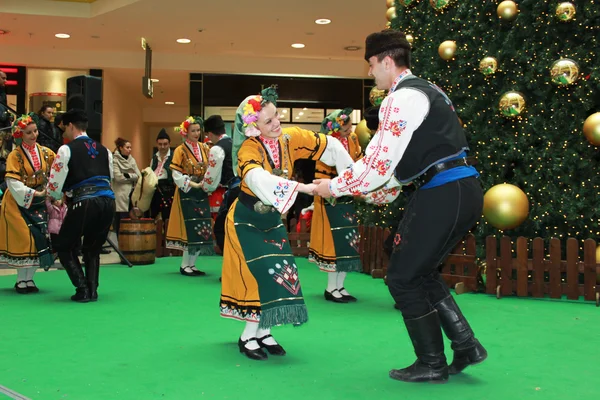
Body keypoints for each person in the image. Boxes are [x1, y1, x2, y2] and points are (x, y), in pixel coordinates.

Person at [313, 30, 486, 383]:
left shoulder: (401, 98)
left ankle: (432, 363)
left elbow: (377, 164)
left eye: (372, 65)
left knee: (403, 277)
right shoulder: (427, 90)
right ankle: (466, 346)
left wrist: (334, 185)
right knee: (418, 272)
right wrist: (362, 191)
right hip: (458, 188)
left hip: (444, 191)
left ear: (387, 62)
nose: (371, 73)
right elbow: (394, 172)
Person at [219, 86, 353, 361]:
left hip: (270, 219)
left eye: (276, 116)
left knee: (282, 273)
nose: (277, 123)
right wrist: (303, 188)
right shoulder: (248, 148)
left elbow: (330, 145)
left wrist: (349, 177)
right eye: (268, 121)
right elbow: (256, 178)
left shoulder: (290, 138)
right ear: (253, 127)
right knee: (259, 275)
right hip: (246, 220)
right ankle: (248, 336)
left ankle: (264, 332)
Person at [46, 109, 115, 302]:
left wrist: (55, 196)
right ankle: (93, 290)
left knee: (64, 245)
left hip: (84, 201)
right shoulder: (105, 150)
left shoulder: (66, 149)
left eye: (64, 128)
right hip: (108, 201)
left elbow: (54, 185)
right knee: (92, 248)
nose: (63, 133)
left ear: (70, 126)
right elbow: (111, 177)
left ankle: (82, 288)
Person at [309, 108, 364, 303]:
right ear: (336, 128)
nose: (349, 132)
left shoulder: (353, 139)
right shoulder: (325, 143)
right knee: (333, 241)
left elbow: (357, 162)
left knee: (347, 239)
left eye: (350, 128)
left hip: (347, 193)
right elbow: (321, 173)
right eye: (346, 129)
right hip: (329, 196)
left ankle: (340, 285)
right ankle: (331, 287)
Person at [0, 114, 55, 293]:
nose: (34, 135)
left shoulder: (46, 152)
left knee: (38, 237)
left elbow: (57, 171)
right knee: (24, 237)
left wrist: (53, 191)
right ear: (20, 134)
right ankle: (20, 280)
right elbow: (12, 182)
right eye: (29, 132)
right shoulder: (15, 156)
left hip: (38, 201)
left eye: (35, 131)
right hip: (17, 201)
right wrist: (34, 193)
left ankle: (29, 279)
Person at [165, 116, 215, 276]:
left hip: (202, 191)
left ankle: (192, 264)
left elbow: (210, 168)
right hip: (186, 193)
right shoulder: (180, 150)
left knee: (202, 228)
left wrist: (207, 183)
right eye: (193, 130)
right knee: (189, 228)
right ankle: (184, 264)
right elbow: (176, 174)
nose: (196, 133)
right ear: (185, 132)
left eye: (198, 130)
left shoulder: (205, 148)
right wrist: (193, 184)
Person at [202, 114, 237, 253]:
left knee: (220, 229)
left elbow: (211, 179)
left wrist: (203, 186)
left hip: (233, 190)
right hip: (246, 190)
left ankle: (231, 267)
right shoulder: (235, 143)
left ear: (210, 134)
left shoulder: (217, 149)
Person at [149, 129, 175, 221]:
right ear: (157, 144)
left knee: (168, 218)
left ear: (169, 144)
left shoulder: (174, 157)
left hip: (169, 193)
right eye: (160, 144)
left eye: (165, 144)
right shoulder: (154, 158)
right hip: (155, 193)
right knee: (153, 218)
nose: (162, 146)